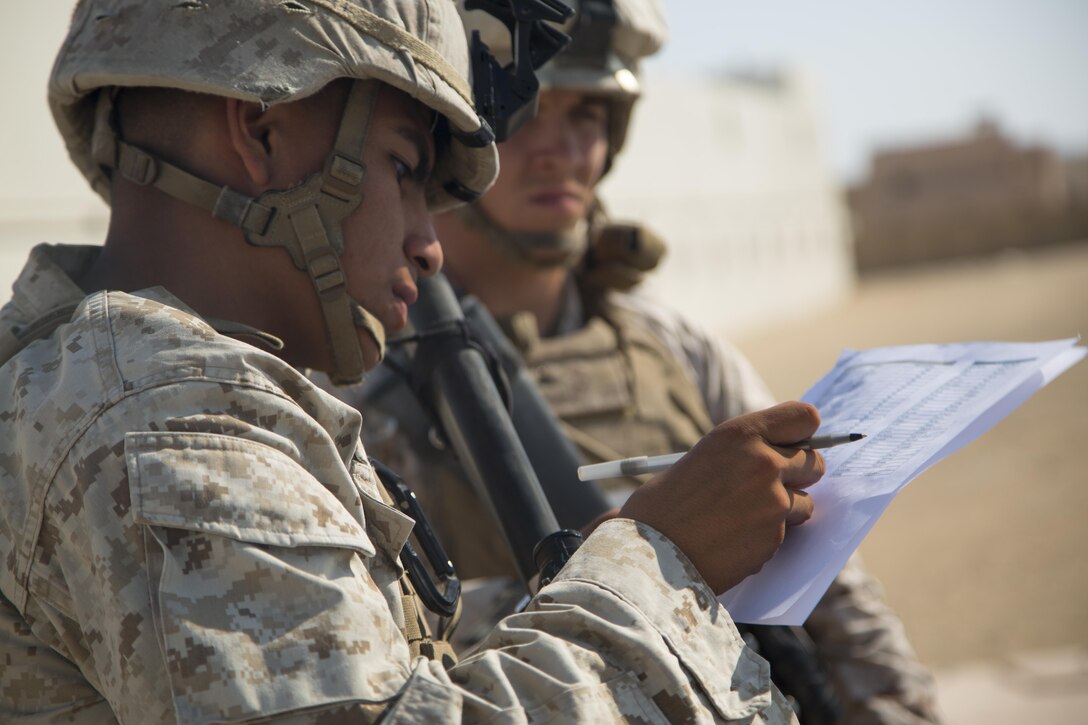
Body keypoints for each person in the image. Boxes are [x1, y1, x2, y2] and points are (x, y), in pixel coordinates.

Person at [0, 1, 825, 722]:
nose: (430, 248)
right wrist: (658, 562)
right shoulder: (164, 421)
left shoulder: (116, 381)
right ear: (260, 126)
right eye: (404, 167)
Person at [352, 1, 942, 723]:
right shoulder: (364, 376)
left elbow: (832, 584)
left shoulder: (677, 346)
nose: (561, 150)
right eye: (529, 111)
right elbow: (376, 663)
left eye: (590, 118)